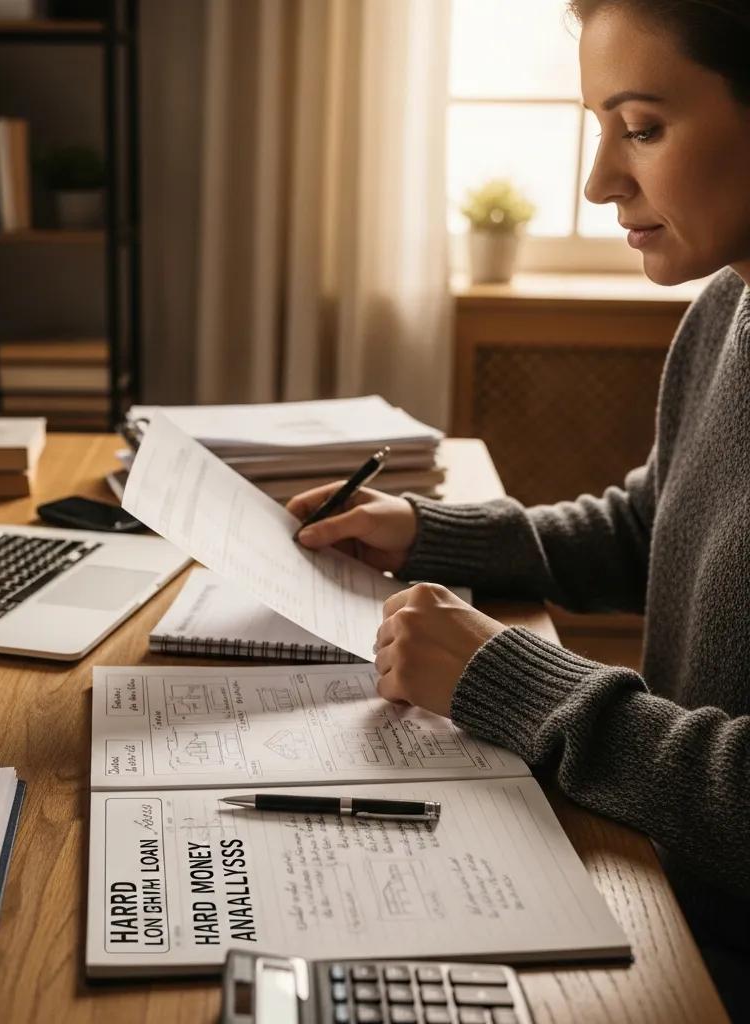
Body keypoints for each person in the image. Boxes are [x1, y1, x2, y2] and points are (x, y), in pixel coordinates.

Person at [289, 0, 750, 1015]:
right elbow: (648, 527)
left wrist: (515, 682)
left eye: (641, 128)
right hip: (673, 887)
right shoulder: (727, 310)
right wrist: (424, 531)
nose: (597, 181)